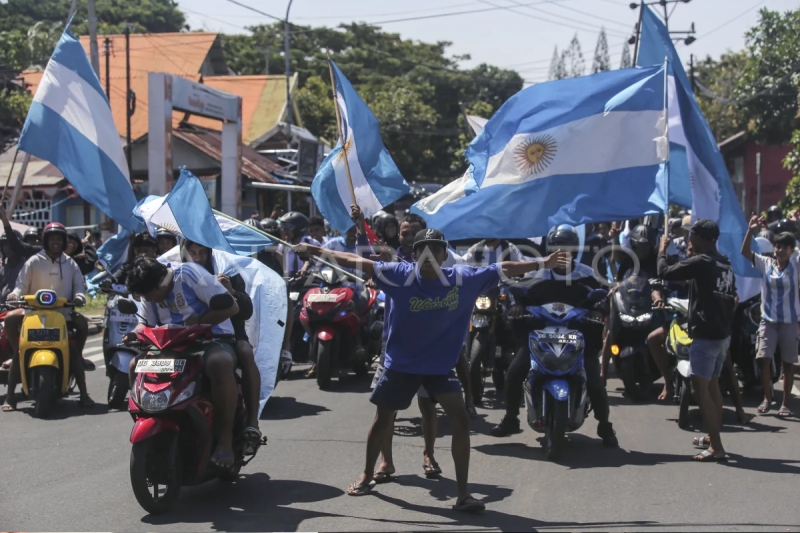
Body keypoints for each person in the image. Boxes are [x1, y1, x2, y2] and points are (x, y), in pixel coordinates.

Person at [295, 228, 568, 513]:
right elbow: (353, 260)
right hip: (401, 365)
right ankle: (367, 474)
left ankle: (463, 495)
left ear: (444, 255)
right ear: (414, 255)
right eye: (423, 249)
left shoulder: (463, 278)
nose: (429, 255)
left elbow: (505, 268)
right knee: (383, 420)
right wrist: (315, 251)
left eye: (436, 249)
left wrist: (543, 263)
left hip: (439, 368)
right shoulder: (399, 274)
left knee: (461, 420)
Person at [491, 225, 619, 448]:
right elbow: (513, 290)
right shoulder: (536, 272)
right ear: (551, 248)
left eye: (568, 247)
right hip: (538, 337)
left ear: (575, 249)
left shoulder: (586, 274)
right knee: (514, 372)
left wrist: (599, 309)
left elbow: (601, 298)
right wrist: (516, 305)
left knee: (594, 378)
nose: (563, 251)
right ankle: (511, 419)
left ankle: (605, 426)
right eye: (558, 247)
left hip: (578, 338)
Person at [124, 256, 241, 468]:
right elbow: (144, 324)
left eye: (150, 294)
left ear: (161, 282)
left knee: (220, 362)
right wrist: (133, 334)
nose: (149, 299)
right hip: (169, 348)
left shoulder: (189, 274)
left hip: (212, 340)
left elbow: (231, 308)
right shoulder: (149, 290)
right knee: (134, 365)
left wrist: (195, 323)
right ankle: (153, 422)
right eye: (144, 296)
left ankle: (225, 441)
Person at [657, 219, 736, 462]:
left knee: (698, 389)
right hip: (722, 335)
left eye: (692, 236)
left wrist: (662, 249)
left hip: (706, 336)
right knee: (713, 387)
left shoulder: (702, 262)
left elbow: (664, 272)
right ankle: (713, 439)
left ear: (701, 238)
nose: (689, 240)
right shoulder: (724, 262)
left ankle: (717, 448)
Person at [180, 241, 263, 449]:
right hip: (188, 336)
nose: (197, 258)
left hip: (229, 333)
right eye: (191, 253)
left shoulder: (227, 272)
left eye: (202, 253)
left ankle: (252, 422)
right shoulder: (178, 275)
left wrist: (230, 291)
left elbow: (245, 310)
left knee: (244, 351)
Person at [2, 223, 93, 411]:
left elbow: (79, 287)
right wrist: (15, 294)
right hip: (33, 312)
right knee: (18, 342)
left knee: (76, 344)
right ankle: (10, 397)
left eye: (59, 238)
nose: (55, 242)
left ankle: (84, 394)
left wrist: (79, 297)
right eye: (52, 239)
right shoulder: (33, 261)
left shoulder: (70, 263)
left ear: (63, 241)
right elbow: (21, 285)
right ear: (46, 241)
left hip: (62, 314)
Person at [741, 216, 797, 417]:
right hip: (768, 321)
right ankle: (767, 397)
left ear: (791, 250)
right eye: (777, 247)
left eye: (784, 247)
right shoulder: (766, 263)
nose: (779, 250)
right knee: (763, 358)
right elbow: (745, 252)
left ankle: (785, 403)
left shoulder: (796, 265)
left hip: (790, 322)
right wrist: (751, 230)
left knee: (788, 363)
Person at [277, 211, 320, 278]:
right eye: (283, 229)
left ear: (298, 229)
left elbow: (312, 259)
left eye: (287, 229)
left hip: (309, 283)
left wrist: (305, 267)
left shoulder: (312, 243)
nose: (285, 232)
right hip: (289, 283)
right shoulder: (282, 247)